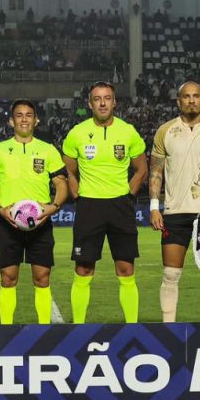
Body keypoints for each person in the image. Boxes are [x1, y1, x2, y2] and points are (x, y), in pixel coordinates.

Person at [62, 81, 147, 324]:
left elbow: (142, 169)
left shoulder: (128, 132)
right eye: (97, 99)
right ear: (90, 104)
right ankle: (79, 326)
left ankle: (131, 326)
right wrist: (78, 196)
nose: (102, 103)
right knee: (84, 269)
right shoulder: (77, 133)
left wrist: (128, 196)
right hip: (90, 206)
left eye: (107, 98)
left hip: (120, 206)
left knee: (126, 268)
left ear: (114, 102)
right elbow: (67, 171)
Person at [149, 81, 200, 323]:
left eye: (196, 96)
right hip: (174, 213)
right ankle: (168, 328)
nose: (192, 100)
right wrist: (154, 207)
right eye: (186, 96)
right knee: (170, 274)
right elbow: (155, 172)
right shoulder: (165, 131)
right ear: (179, 102)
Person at [0, 100, 69, 324]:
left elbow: (62, 185)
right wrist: (0, 209)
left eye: (29, 115)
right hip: (9, 223)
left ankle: (44, 330)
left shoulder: (48, 150)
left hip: (40, 223)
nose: (24, 119)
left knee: (42, 278)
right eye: (19, 115)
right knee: (8, 278)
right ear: (11, 121)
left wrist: (53, 207)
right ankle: (6, 330)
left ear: (36, 120)